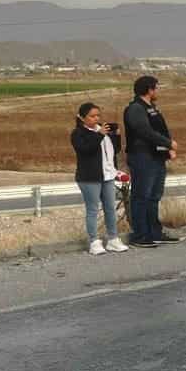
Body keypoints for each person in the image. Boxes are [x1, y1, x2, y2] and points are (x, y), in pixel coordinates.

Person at [123, 74, 177, 248]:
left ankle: (155, 232)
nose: (158, 90)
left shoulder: (152, 108)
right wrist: (168, 143)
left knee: (154, 196)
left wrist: (167, 149)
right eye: (156, 87)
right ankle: (140, 235)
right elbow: (144, 131)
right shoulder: (136, 109)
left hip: (156, 157)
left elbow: (160, 129)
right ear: (149, 89)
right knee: (141, 196)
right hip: (142, 157)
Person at [71, 102, 128, 256]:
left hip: (108, 175)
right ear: (82, 118)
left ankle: (113, 239)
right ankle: (94, 241)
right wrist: (99, 135)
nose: (96, 119)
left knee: (110, 208)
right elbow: (86, 149)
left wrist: (116, 135)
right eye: (92, 116)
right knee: (93, 209)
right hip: (89, 177)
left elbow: (114, 150)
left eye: (98, 116)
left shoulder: (101, 131)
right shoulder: (78, 133)